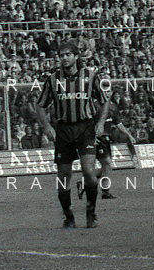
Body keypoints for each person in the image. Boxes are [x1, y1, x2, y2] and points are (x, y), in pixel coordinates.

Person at [34, 41, 110, 229]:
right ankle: (68, 216)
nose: (64, 58)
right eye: (61, 55)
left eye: (68, 54)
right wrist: (46, 126)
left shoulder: (90, 76)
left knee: (89, 172)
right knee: (63, 174)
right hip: (63, 130)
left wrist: (100, 123)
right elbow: (40, 105)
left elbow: (104, 101)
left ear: (76, 57)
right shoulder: (53, 80)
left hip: (85, 128)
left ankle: (91, 213)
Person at [79, 107, 139, 200]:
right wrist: (90, 138)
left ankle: (83, 182)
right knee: (107, 163)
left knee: (106, 167)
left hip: (106, 140)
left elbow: (119, 124)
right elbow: (86, 125)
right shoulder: (94, 108)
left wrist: (129, 135)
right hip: (97, 139)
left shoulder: (112, 109)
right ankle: (105, 192)